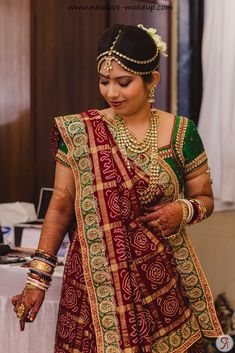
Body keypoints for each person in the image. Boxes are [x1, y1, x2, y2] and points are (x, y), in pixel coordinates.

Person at [11, 24, 223, 353]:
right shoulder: (80, 133)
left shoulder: (181, 132)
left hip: (161, 283)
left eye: (124, 82)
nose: (112, 92)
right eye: (104, 81)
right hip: (94, 288)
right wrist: (37, 279)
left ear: (151, 80)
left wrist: (182, 210)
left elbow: (204, 198)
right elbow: (61, 204)